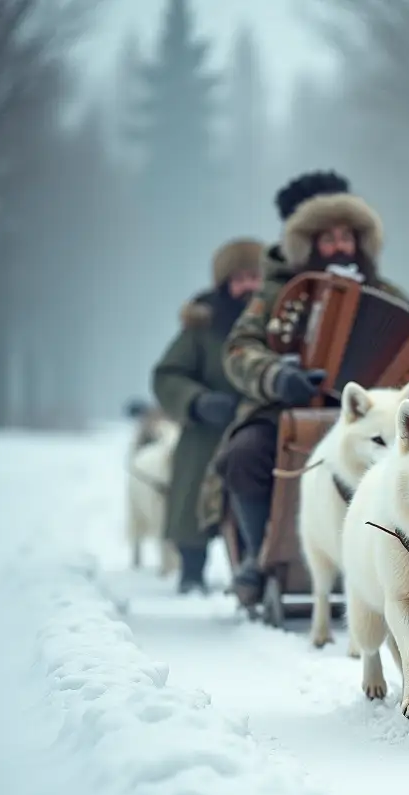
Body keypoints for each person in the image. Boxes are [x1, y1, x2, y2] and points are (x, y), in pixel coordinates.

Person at [200, 170, 409, 606]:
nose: (340, 246)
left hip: (374, 420)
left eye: (348, 237)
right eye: (329, 238)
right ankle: (259, 559)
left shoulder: (386, 293)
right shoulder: (276, 292)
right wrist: (279, 377)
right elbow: (240, 349)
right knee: (244, 454)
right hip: (285, 412)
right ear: (309, 243)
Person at [152, 237, 265, 593]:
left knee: (257, 497)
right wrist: (198, 401)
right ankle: (191, 570)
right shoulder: (202, 326)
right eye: (238, 278)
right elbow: (168, 374)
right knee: (192, 495)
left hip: (259, 427)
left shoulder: (278, 323)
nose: (247, 286)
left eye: (254, 276)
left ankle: (255, 567)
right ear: (224, 284)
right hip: (207, 432)